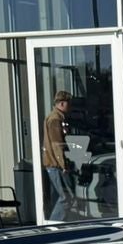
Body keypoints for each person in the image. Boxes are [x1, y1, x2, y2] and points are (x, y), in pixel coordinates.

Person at [42, 89, 75, 222]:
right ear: (62, 103)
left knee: (58, 197)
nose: (70, 106)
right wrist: (64, 165)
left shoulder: (55, 117)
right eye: (69, 103)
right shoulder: (55, 119)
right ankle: (54, 227)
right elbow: (57, 145)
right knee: (66, 197)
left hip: (54, 163)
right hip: (56, 164)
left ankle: (53, 223)